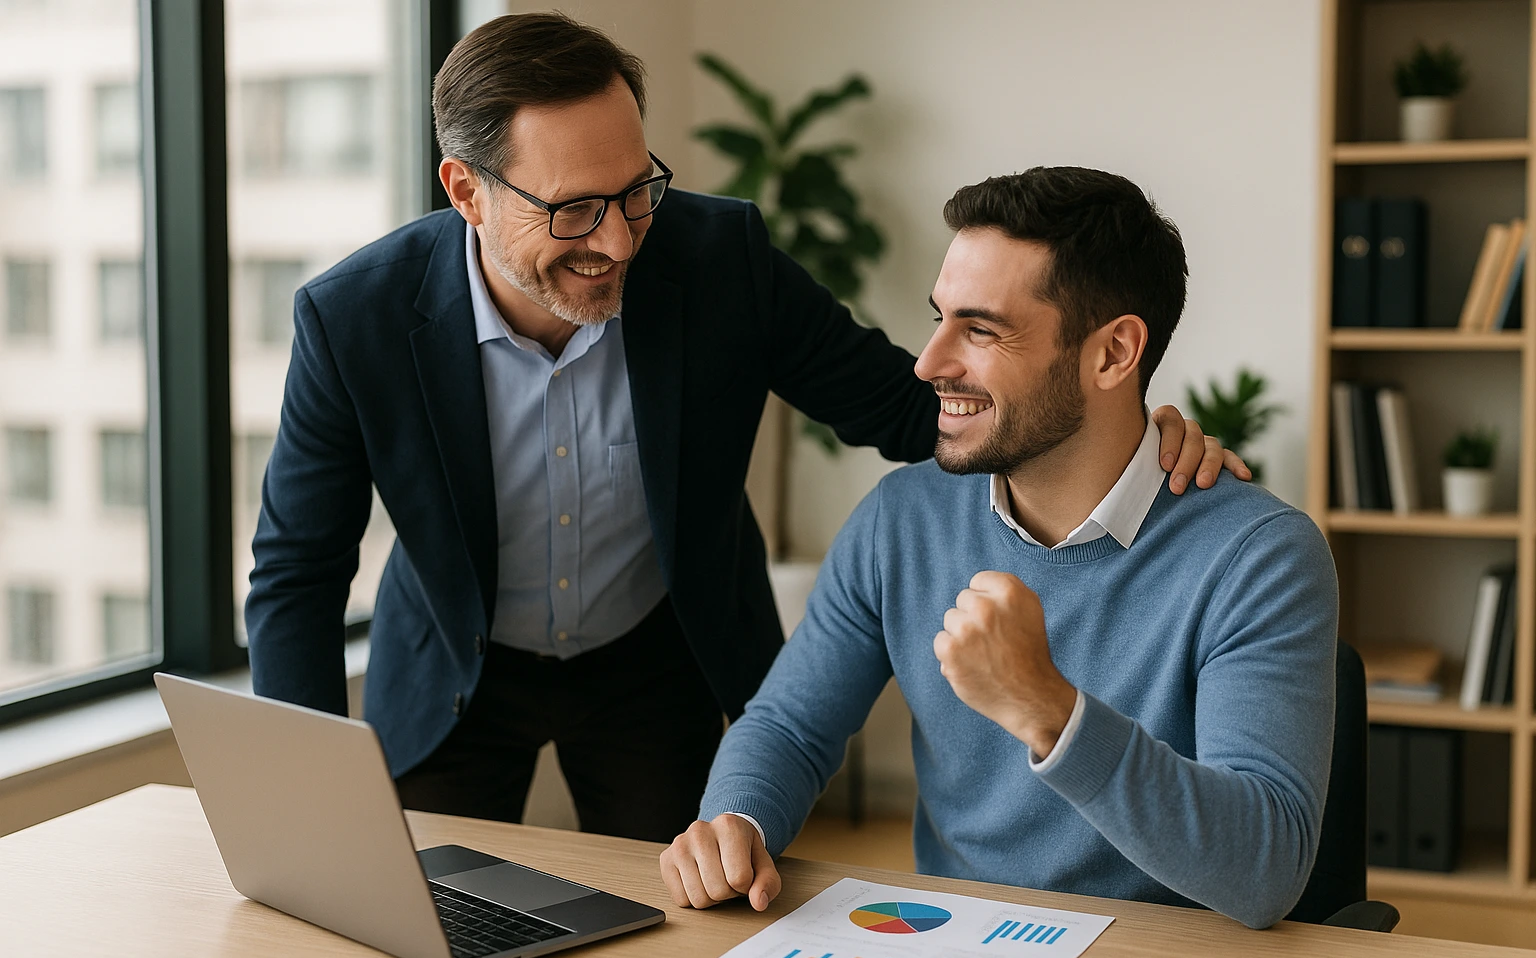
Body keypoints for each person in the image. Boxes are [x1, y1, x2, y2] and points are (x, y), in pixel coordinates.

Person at [245, 14, 1245, 844]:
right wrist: (300, 804)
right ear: (465, 191)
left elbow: (911, 409)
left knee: (675, 932)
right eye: (576, 209)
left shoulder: (719, 259)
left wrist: (1123, 431)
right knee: (424, 940)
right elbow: (298, 572)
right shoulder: (355, 318)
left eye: (637, 191)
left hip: (656, 661)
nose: (619, 239)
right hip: (456, 675)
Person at [659, 166, 1338, 929]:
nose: (928, 362)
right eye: (940, 318)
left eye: (980, 330)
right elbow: (789, 725)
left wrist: (1051, 710)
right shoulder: (902, 519)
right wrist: (735, 825)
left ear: (1114, 354)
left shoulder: (1258, 557)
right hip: (954, 957)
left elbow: (1268, 868)